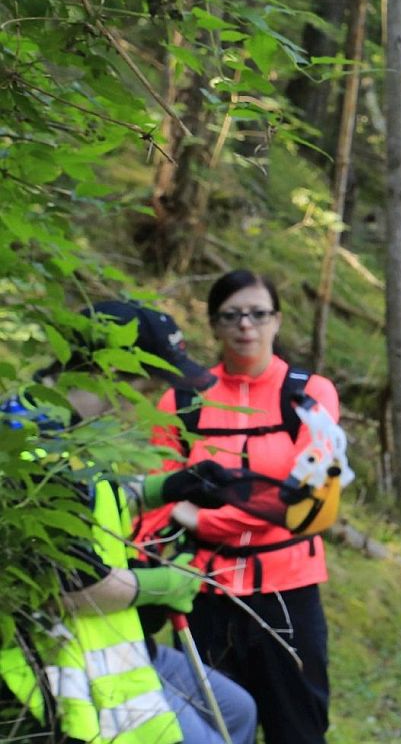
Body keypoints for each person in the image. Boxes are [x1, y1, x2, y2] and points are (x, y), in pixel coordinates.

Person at [1, 300, 258, 744]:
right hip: (66, 661)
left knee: (237, 711)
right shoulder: (33, 446)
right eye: (150, 382)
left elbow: (95, 502)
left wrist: (173, 486)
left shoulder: (73, 429)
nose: (150, 398)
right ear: (114, 376)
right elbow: (76, 589)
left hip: (114, 639)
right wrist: (166, 583)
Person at [136, 271, 340, 744]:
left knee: (300, 728)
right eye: (231, 315)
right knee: (215, 732)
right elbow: (155, 497)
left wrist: (202, 517)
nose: (245, 326)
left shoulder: (310, 394)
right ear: (214, 325)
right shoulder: (182, 400)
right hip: (204, 594)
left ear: (277, 320)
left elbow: (309, 503)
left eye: (257, 314)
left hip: (288, 593)